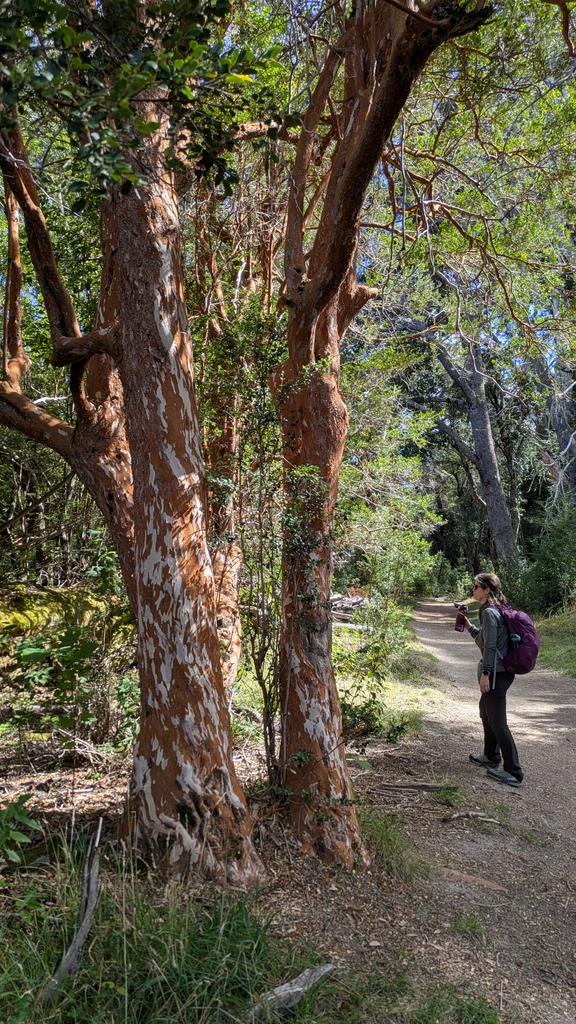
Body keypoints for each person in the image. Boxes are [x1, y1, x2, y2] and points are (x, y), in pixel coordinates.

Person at [460, 572, 524, 787]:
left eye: (476, 586)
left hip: (497, 673)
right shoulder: (496, 609)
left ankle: (514, 771)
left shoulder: (489, 612)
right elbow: (485, 640)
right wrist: (468, 626)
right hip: (500, 671)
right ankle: (490, 756)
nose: (473, 590)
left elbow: (490, 647)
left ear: (486, 590)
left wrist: (486, 674)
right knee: (485, 711)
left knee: (498, 722)